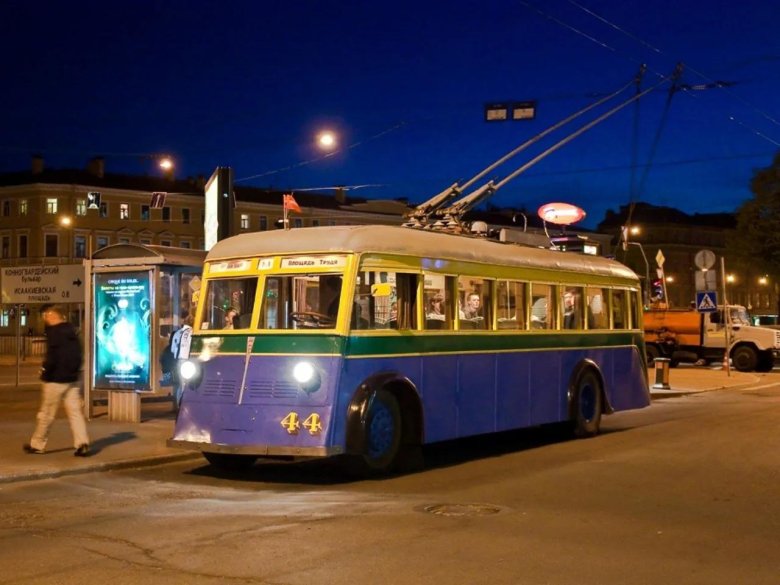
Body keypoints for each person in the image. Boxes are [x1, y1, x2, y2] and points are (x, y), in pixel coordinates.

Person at [23, 304, 90, 457]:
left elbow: (52, 357)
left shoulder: (54, 332)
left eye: (46, 316)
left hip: (56, 380)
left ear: (53, 315)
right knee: (75, 413)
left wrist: (45, 372)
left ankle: (38, 444)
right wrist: (74, 373)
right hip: (72, 380)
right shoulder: (72, 331)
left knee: (46, 414)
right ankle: (82, 443)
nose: (45, 319)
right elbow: (79, 355)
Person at [169, 310, 194, 408]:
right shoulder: (191, 332)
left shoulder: (177, 333)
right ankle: (184, 407)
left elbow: (172, 349)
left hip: (177, 361)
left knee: (180, 384)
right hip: (187, 361)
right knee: (186, 385)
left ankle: (178, 406)